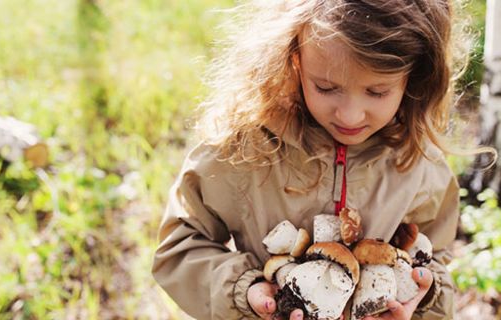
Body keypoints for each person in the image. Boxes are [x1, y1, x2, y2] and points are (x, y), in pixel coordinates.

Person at [152, 0, 466, 319]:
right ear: (294, 58)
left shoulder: (418, 161)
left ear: (414, 76)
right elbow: (180, 246)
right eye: (326, 87)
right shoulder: (245, 147)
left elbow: (434, 255)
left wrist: (421, 299)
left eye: (377, 92)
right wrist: (243, 291)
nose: (350, 115)